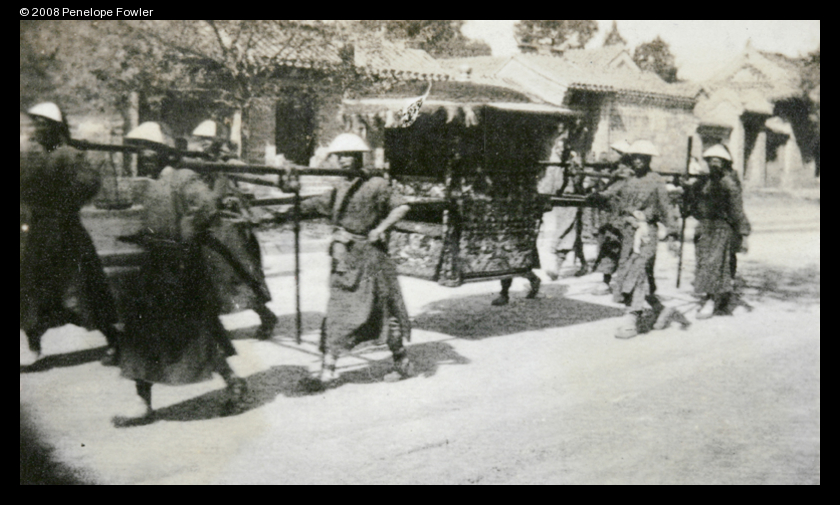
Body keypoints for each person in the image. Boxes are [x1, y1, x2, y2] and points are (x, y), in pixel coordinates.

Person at [116, 122, 246, 420]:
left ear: (165, 152)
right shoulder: (152, 185)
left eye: (150, 149)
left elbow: (207, 206)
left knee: (197, 333)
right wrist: (143, 236)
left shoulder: (183, 177)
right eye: (140, 150)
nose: (143, 155)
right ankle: (142, 403)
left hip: (181, 269)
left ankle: (233, 382)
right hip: (155, 266)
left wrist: (183, 238)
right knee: (141, 333)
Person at [282, 133, 414, 388]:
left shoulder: (377, 184)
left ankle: (402, 362)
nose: (343, 160)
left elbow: (402, 206)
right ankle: (328, 372)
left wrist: (381, 228)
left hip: (371, 260)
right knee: (337, 312)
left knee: (383, 313)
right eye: (339, 156)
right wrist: (290, 197)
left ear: (358, 157)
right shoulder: (340, 188)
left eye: (348, 155)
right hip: (344, 260)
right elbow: (314, 205)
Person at [20, 102, 122, 367]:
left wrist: (63, 202)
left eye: (43, 123)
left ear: (56, 128)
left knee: (84, 292)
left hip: (67, 234)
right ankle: (33, 346)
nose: (37, 128)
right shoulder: (32, 155)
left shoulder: (69, 155)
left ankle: (116, 341)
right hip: (39, 234)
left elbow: (89, 184)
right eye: (35, 123)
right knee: (32, 292)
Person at [191, 119, 278, 340]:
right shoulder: (199, 163)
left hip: (229, 226)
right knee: (209, 276)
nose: (202, 144)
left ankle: (266, 316)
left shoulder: (228, 163)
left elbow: (251, 179)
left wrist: (276, 182)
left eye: (206, 140)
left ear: (216, 141)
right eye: (200, 140)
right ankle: (213, 327)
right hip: (208, 223)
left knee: (238, 275)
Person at [590, 140, 687, 338]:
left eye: (642, 158)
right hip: (627, 232)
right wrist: (596, 197)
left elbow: (666, 209)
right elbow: (609, 194)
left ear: (649, 159)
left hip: (646, 233)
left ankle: (632, 318)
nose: (638, 161)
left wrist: (672, 234)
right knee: (631, 272)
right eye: (635, 157)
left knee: (637, 271)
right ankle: (660, 309)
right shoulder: (627, 178)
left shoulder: (656, 181)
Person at [683, 144, 751, 319]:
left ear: (725, 163)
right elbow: (691, 205)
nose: (714, 163)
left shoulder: (729, 184)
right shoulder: (701, 182)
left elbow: (737, 211)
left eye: (718, 160)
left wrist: (743, 235)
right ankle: (719, 295)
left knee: (713, 265)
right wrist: (685, 191)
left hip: (721, 228)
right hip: (703, 228)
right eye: (711, 160)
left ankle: (711, 300)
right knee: (704, 264)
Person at [540, 134, 588, 281]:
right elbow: (550, 182)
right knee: (571, 233)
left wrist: (573, 172)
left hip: (570, 201)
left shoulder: (573, 163)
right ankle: (584, 263)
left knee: (566, 232)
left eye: (563, 148)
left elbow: (579, 181)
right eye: (558, 147)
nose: (560, 150)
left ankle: (557, 267)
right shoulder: (555, 163)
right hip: (558, 203)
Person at [590, 140, 633, 296]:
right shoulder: (614, 170)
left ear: (622, 155)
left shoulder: (625, 173)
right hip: (610, 214)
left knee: (614, 246)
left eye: (614, 151)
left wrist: (600, 195)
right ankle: (607, 281)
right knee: (608, 245)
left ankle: (613, 283)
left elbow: (613, 191)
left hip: (620, 216)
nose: (611, 154)